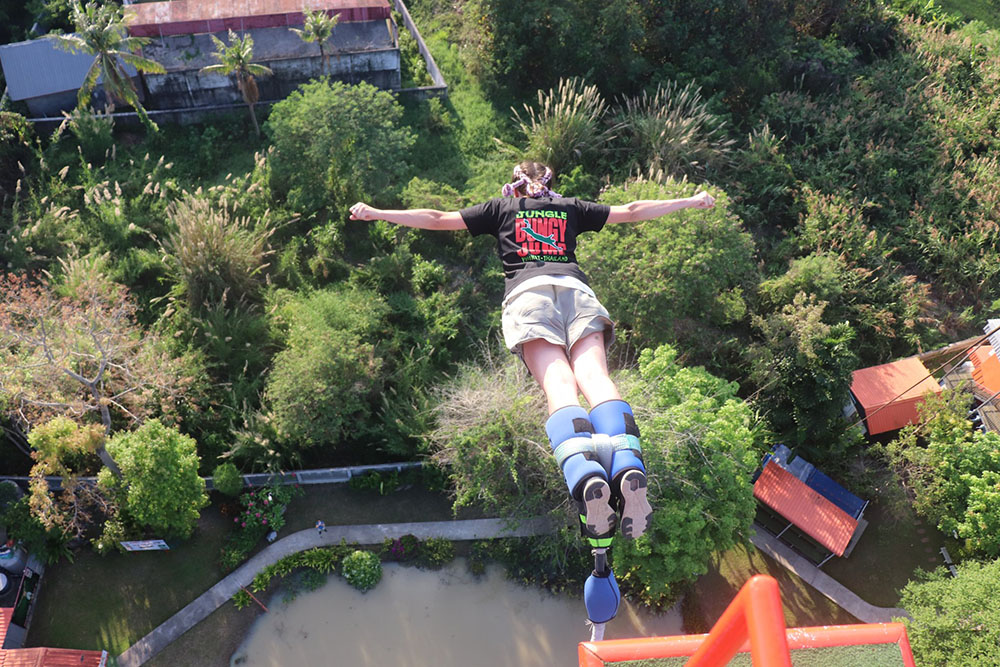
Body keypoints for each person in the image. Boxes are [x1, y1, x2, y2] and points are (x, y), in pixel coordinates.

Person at [350, 161, 715, 540]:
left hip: (529, 296)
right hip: (578, 293)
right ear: (551, 184)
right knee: (595, 376)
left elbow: (438, 218)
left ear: (514, 184)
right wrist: (690, 200)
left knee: (559, 383)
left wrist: (376, 213)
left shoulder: (500, 209)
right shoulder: (570, 207)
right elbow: (633, 211)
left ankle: (585, 472)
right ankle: (626, 462)